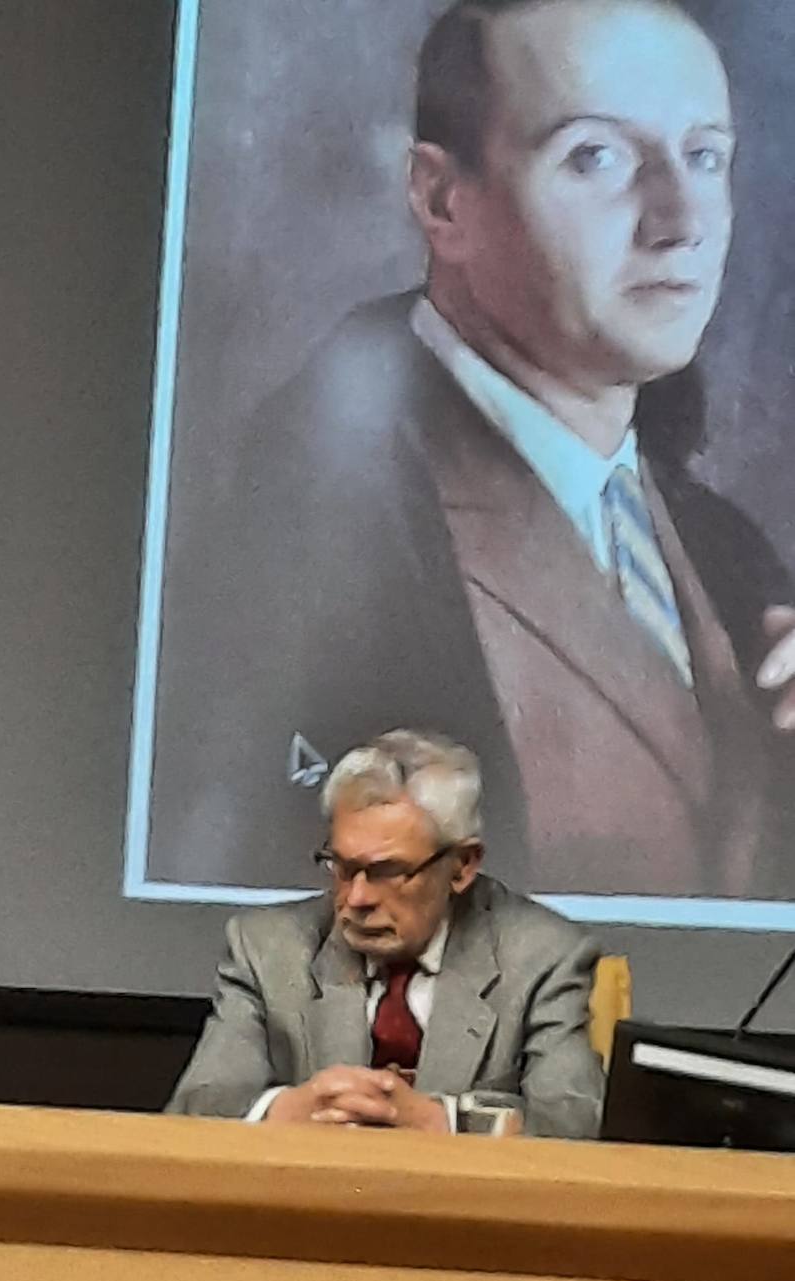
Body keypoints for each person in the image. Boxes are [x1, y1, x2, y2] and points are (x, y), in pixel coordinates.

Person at [146, 0, 795, 900]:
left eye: (705, 156)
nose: (681, 220)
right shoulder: (305, 524)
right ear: (441, 199)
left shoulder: (730, 556)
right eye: (596, 156)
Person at [167, 730, 604, 1138]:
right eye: (342, 867)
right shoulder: (265, 949)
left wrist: (443, 1120)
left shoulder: (544, 956)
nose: (356, 898)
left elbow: (573, 1123)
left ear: (462, 866)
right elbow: (195, 1110)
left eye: (388, 872)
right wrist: (282, 1110)